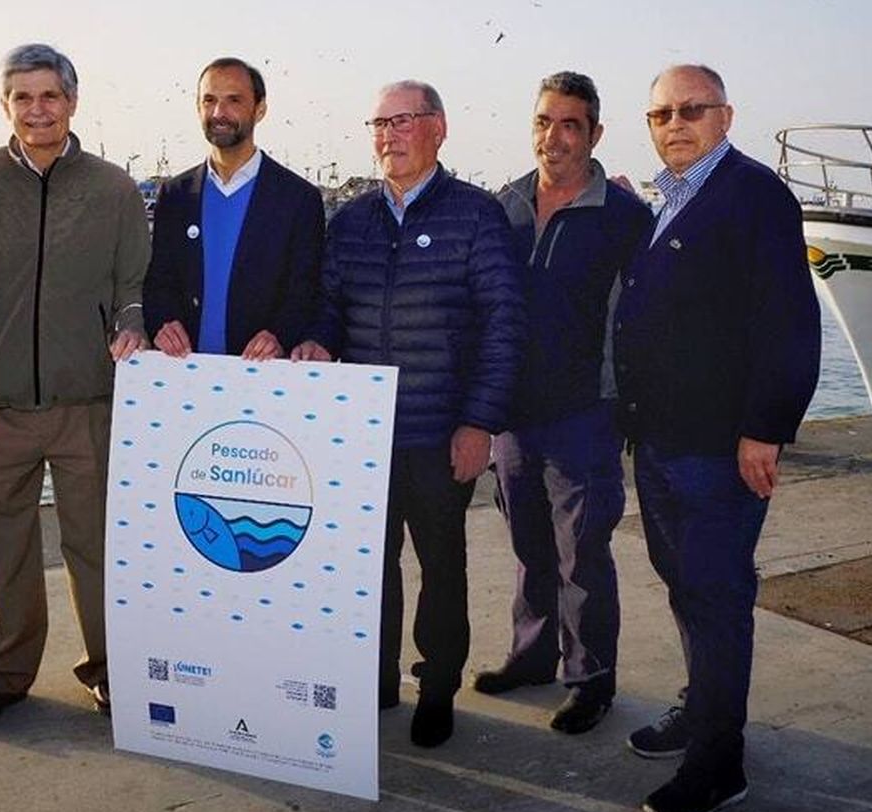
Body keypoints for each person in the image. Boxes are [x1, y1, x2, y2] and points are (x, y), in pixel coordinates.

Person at [0, 43, 151, 727]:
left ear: (72, 102)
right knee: (0, 544)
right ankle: (3, 673)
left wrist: (131, 327)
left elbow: (133, 286)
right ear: (5, 105)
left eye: (49, 95)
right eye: (22, 97)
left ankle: (112, 669)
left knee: (101, 547)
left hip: (90, 406)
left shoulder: (112, 189)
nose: (37, 109)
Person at [614, 64, 820, 812]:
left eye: (691, 109)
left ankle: (718, 761)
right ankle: (700, 707)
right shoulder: (668, 201)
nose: (675, 123)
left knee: (718, 593)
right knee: (686, 585)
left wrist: (765, 427)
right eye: (661, 112)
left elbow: (791, 321)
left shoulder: (752, 194)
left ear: (725, 116)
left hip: (718, 446)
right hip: (664, 441)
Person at [292, 80, 523, 748]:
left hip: (440, 432)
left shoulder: (477, 216)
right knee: (368, 566)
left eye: (402, 121)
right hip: (363, 435)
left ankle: (438, 687)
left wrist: (479, 421)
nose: (387, 135)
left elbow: (504, 324)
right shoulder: (353, 221)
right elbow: (331, 308)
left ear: (439, 128)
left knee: (442, 567)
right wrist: (316, 340)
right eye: (378, 123)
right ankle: (377, 678)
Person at [476, 71, 653, 734]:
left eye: (570, 124)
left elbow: (649, 321)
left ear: (595, 133)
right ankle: (531, 658)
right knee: (528, 546)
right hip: (513, 417)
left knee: (583, 552)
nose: (554, 137)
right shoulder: (506, 205)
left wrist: (630, 407)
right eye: (544, 121)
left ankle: (590, 679)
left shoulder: (626, 218)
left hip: (586, 416)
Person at [144, 57, 325, 360]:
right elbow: (159, 280)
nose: (219, 113)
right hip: (185, 378)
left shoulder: (298, 199)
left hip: (262, 379)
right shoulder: (176, 195)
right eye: (209, 100)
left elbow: (306, 290)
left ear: (260, 108)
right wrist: (162, 322)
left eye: (233, 101)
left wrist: (280, 334)